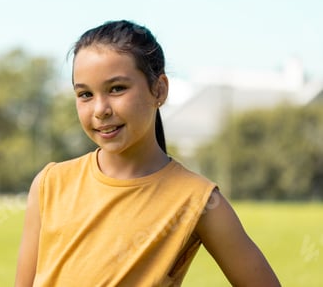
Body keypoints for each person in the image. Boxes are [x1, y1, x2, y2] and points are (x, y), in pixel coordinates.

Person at [15, 20, 280, 286]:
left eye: (117, 88)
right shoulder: (50, 184)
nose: (100, 109)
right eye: (85, 94)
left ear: (159, 90)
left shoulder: (199, 201)